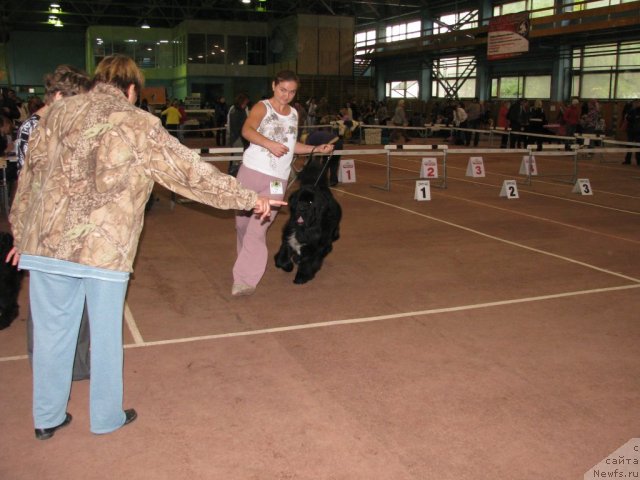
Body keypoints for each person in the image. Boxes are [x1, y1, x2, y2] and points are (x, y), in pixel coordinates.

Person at [6, 54, 285, 440]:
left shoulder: (54, 114)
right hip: (103, 248)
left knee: (52, 335)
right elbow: (188, 173)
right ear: (133, 89)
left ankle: (46, 418)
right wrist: (248, 198)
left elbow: (29, 176)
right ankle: (105, 418)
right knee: (104, 336)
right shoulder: (137, 122)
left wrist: (20, 234)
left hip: (45, 243)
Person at [14, 64, 93, 381]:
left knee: (83, 297)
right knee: (46, 309)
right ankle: (46, 369)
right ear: (59, 96)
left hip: (77, 227)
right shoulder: (32, 129)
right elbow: (28, 189)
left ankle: (79, 365)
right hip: (45, 231)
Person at [232, 70, 334, 297]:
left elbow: (291, 145)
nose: (286, 96)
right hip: (250, 174)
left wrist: (315, 149)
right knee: (242, 225)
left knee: (258, 229)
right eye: (282, 90)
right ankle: (245, 261)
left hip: (277, 182)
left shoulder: (294, 114)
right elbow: (246, 130)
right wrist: (269, 144)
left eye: (292, 92)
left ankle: (244, 280)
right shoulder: (262, 107)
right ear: (273, 86)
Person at [305, 115, 342, 187]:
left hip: (330, 144)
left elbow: (308, 153)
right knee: (334, 163)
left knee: (325, 163)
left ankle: (322, 180)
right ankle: (333, 181)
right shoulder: (317, 134)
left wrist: (307, 163)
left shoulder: (309, 139)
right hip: (339, 143)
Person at [226, 93, 250, 176]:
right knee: (237, 158)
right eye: (245, 103)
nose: (245, 105)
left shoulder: (237, 110)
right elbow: (238, 127)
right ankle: (233, 174)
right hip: (238, 138)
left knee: (236, 157)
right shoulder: (236, 112)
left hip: (238, 137)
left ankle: (234, 173)